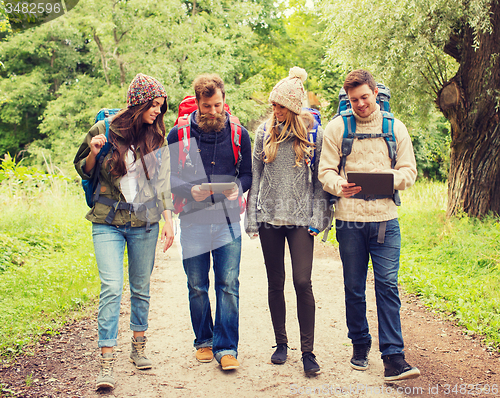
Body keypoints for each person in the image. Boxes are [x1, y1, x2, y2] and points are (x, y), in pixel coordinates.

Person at [318, 69, 420, 381]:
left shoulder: (395, 127)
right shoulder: (336, 128)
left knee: (387, 286)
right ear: (347, 101)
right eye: (354, 100)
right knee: (354, 286)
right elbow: (325, 171)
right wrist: (339, 185)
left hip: (385, 221)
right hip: (349, 222)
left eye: (365, 97)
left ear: (375, 94)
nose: (360, 104)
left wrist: (387, 177)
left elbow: (409, 172)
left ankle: (393, 357)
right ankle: (359, 344)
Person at [74, 73, 174, 389]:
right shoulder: (103, 130)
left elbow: (163, 182)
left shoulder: (157, 137)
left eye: (160, 106)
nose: (158, 111)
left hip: (145, 222)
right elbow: (84, 170)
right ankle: (106, 362)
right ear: (138, 102)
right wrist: (93, 150)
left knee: (141, 286)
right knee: (112, 286)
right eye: (154, 105)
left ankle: (138, 345)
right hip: (107, 220)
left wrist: (169, 221)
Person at [245, 67, 331, 375]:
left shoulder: (313, 134)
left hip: (300, 219)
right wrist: (252, 216)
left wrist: (319, 216)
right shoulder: (263, 133)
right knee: (276, 282)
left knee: (302, 281)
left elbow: (321, 181)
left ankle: (308, 351)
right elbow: (255, 176)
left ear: (294, 107)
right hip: (269, 216)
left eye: (281, 106)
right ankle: (281, 344)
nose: (275, 110)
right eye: (274, 105)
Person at [166, 74, 252, 371]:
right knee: (197, 285)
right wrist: (189, 189)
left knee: (228, 285)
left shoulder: (239, 133)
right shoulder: (178, 135)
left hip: (228, 221)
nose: (214, 111)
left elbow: (247, 175)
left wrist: (236, 188)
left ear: (224, 100)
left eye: (218, 105)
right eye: (207, 106)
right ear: (197, 104)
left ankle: (227, 347)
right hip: (192, 220)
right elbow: (167, 178)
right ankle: (203, 341)